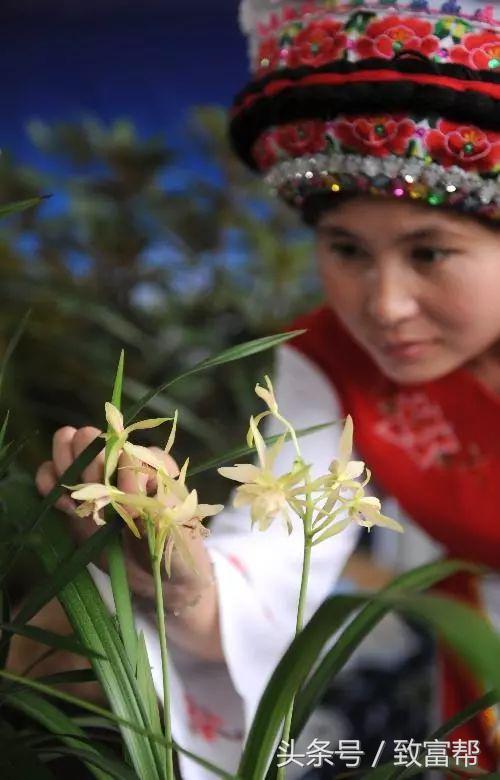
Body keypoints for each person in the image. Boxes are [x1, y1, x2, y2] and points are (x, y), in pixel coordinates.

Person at [36, 0, 500, 776]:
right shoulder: (326, 354)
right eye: (345, 248)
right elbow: (277, 544)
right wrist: (178, 580)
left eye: (430, 254)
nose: (382, 306)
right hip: (473, 662)